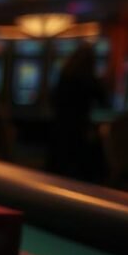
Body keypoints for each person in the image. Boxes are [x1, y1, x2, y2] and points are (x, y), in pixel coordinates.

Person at [46, 44, 106, 180]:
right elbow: (104, 101)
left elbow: (52, 99)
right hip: (79, 133)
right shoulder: (88, 78)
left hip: (59, 131)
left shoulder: (65, 74)